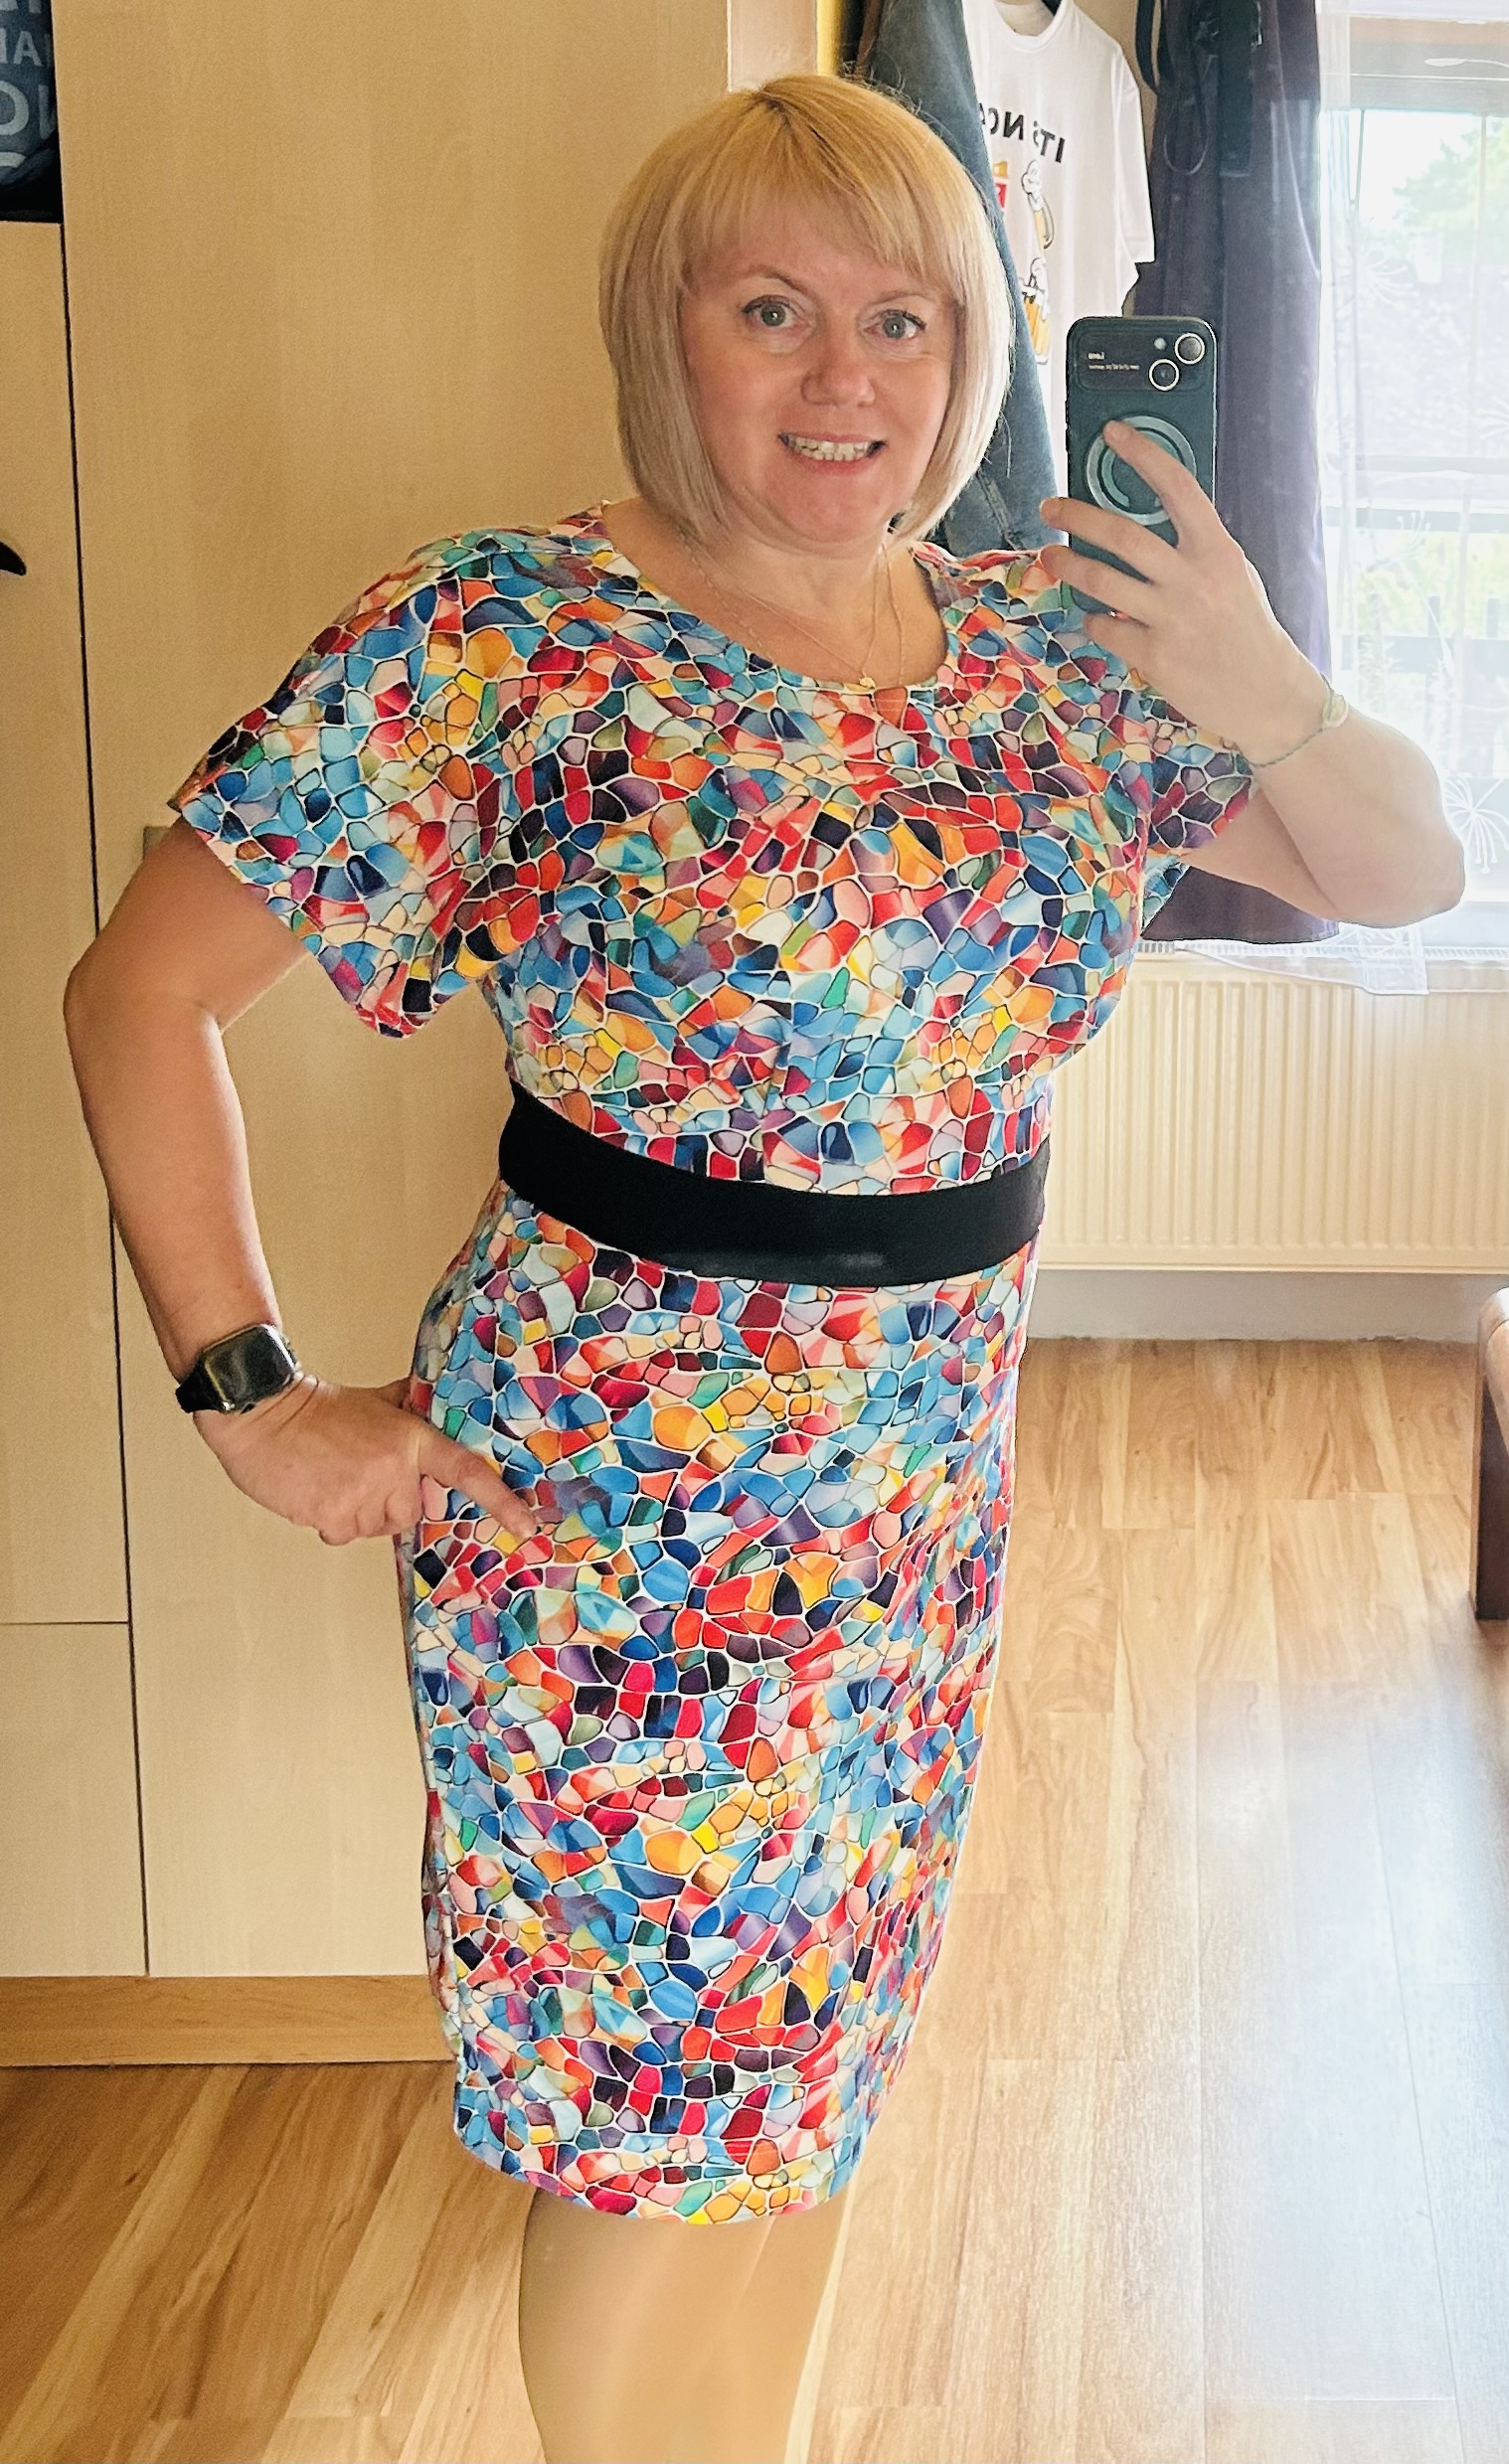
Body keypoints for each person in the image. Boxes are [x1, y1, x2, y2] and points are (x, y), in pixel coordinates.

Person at [64, 72, 1460, 2464]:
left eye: (903, 319)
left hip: (913, 1497)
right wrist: (253, 1399)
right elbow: (140, 993)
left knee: (812, 2062)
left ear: (976, 354)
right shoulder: (503, 638)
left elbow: (1406, 869)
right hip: (618, 1502)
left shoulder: (1051, 649)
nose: (844, 379)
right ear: (667, 337)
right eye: (771, 312)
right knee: (651, 2112)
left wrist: (1260, 674)